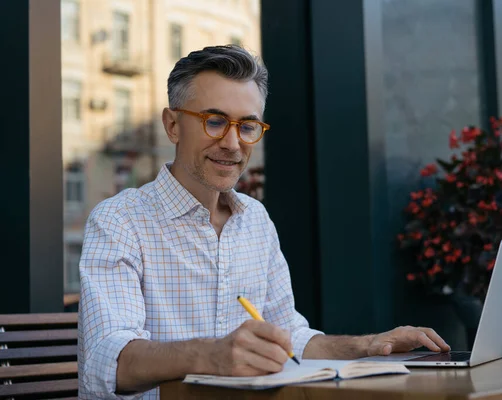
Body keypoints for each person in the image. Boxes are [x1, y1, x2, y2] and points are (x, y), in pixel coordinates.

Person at [78, 45, 450, 399]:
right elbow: (107, 362)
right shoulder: (120, 221)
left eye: (247, 126)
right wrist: (211, 355)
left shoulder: (255, 219)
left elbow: (291, 338)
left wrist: (368, 346)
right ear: (173, 125)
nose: (233, 143)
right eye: (215, 121)